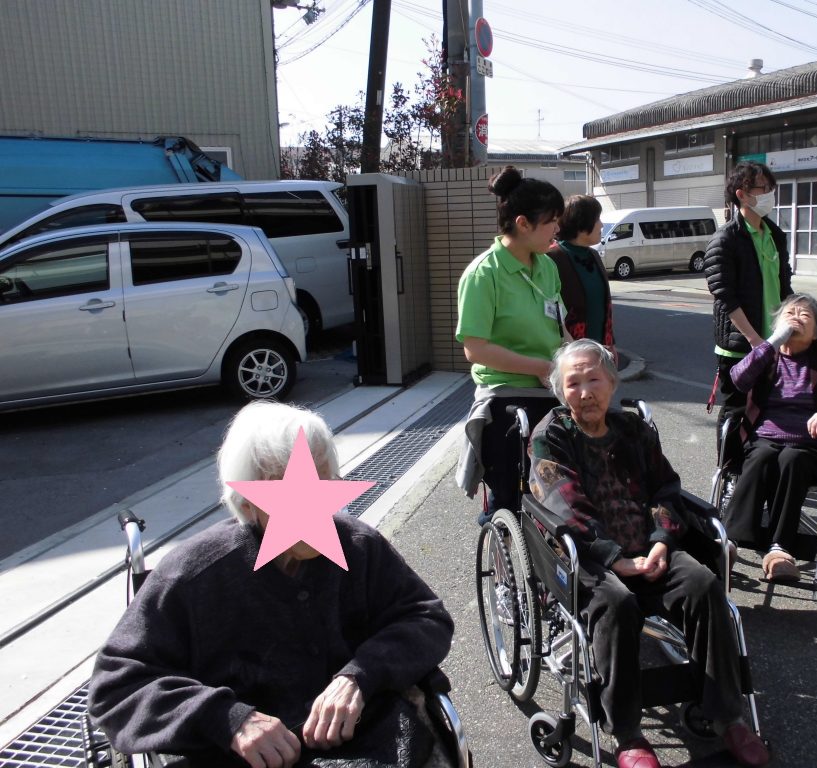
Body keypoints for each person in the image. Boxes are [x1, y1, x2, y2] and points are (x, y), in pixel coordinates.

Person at [89, 401, 455, 768]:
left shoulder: (359, 547)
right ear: (247, 503)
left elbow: (425, 617)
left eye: (322, 482)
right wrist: (228, 719)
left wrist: (360, 676)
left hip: (367, 742)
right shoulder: (193, 574)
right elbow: (116, 686)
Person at [529, 339, 770, 768]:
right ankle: (627, 733)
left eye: (593, 380)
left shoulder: (633, 429)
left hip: (649, 546)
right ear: (560, 391)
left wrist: (661, 540)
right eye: (573, 383)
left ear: (612, 382)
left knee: (703, 585)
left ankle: (727, 715)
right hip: (587, 556)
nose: (585, 392)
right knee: (617, 603)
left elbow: (665, 488)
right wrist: (615, 557)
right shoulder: (551, 436)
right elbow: (564, 505)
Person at [722, 294, 817, 582]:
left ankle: (780, 550)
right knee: (760, 457)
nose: (797, 317)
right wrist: (773, 341)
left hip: (808, 444)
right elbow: (738, 380)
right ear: (777, 323)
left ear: (816, 330)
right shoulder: (767, 353)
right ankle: (729, 544)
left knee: (791, 458)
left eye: (805, 315)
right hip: (764, 437)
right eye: (790, 313)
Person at [455, 166, 564, 519]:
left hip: (550, 392)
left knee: (559, 495)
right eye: (551, 221)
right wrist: (540, 367)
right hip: (505, 399)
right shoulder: (483, 274)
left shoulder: (547, 267)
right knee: (511, 498)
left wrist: (582, 359)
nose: (557, 229)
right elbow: (475, 349)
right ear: (523, 223)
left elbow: (558, 327)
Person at [704, 161, 793, 475]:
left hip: (773, 341)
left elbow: (784, 285)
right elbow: (724, 294)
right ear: (742, 194)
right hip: (740, 345)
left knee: (768, 409)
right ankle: (729, 475)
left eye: (771, 188)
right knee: (736, 411)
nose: (769, 194)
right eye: (763, 188)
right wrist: (755, 340)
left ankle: (757, 472)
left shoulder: (774, 235)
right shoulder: (726, 239)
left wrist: (791, 324)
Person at [546, 194, 615, 349]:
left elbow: (603, 306)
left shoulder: (593, 254)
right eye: (597, 219)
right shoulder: (552, 257)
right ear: (581, 222)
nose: (602, 225)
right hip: (570, 351)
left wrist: (610, 343)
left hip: (599, 349)